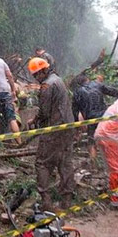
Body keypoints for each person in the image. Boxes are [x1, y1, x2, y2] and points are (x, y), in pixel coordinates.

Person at [29, 57, 75, 210]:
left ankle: (46, 201)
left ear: (43, 71)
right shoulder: (58, 80)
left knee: (42, 163)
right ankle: (67, 201)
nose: (36, 78)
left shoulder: (47, 85)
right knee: (65, 162)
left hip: (54, 129)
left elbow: (44, 112)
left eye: (36, 75)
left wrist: (35, 120)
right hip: (67, 127)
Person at [72, 74, 118, 162]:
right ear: (87, 79)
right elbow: (113, 92)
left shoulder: (77, 92)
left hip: (91, 119)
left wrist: (77, 127)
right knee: (108, 138)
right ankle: (112, 160)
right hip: (104, 116)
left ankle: (93, 162)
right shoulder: (97, 84)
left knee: (91, 141)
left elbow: (75, 111)